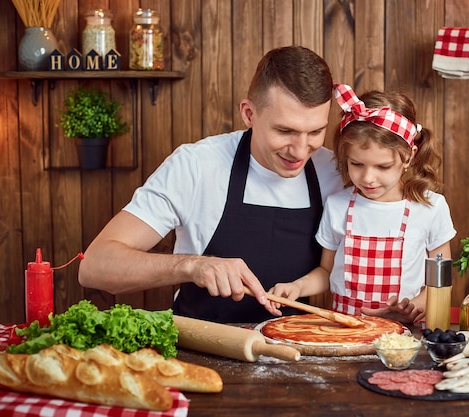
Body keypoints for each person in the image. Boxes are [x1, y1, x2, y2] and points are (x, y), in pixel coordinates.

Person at [78, 46, 343, 323]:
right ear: (249, 114)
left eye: (315, 132)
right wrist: (193, 265)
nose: (301, 151)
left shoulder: (335, 172)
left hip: (294, 351)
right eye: (285, 131)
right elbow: (95, 266)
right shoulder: (196, 165)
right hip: (199, 352)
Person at [268, 84, 456, 324]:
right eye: (356, 164)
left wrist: (415, 306)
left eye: (383, 167)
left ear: (409, 157)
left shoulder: (431, 208)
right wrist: (296, 287)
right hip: (345, 332)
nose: (368, 178)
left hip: (403, 336)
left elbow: (441, 284)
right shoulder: (338, 205)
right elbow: (326, 272)